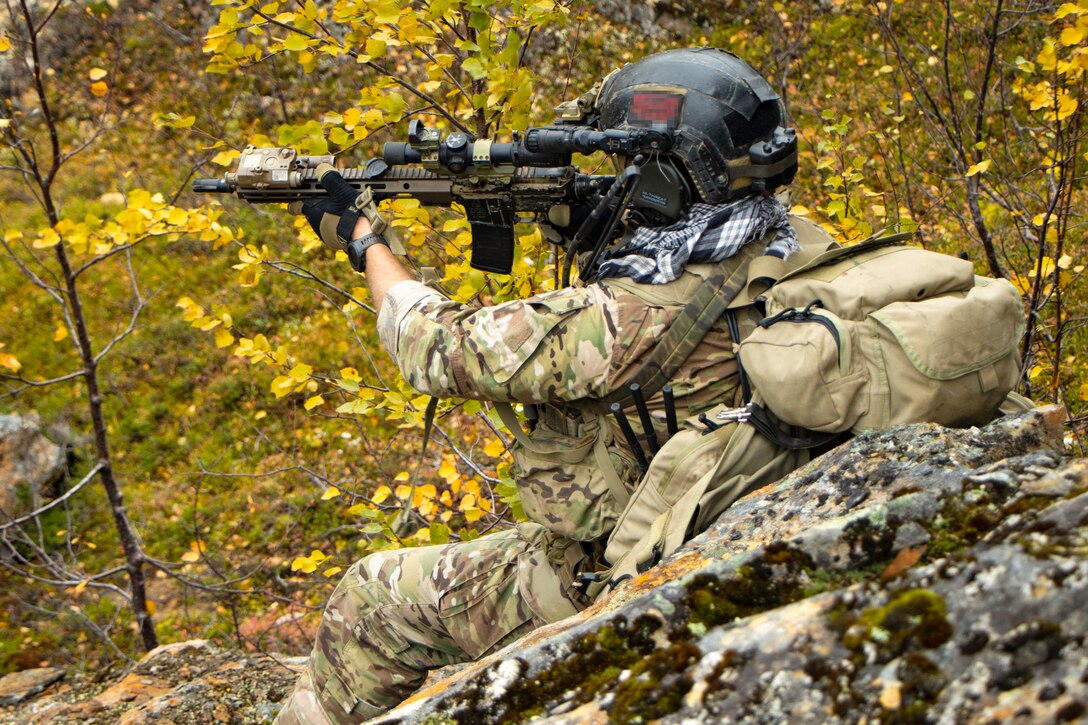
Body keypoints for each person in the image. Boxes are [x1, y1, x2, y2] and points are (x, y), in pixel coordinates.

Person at [275, 47, 825, 724]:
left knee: (371, 596)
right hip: (752, 512)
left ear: (666, 176)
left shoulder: (625, 318)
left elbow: (434, 345)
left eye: (631, 168)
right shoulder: (793, 242)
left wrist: (365, 238)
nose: (618, 181)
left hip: (633, 564)